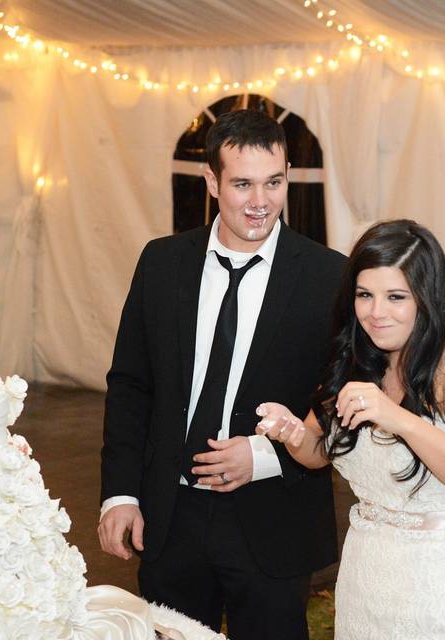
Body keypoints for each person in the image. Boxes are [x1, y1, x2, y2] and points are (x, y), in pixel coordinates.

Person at [98, 108, 345, 639]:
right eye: (242, 184)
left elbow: (341, 395)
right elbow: (130, 385)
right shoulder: (161, 263)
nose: (261, 202)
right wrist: (121, 494)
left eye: (274, 182)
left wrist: (268, 453)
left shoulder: (330, 276)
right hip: (171, 517)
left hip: (274, 519)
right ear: (211, 181)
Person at [257, 219, 445, 639]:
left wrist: (398, 418)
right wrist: (292, 432)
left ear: (426, 296)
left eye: (395, 297)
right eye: (365, 295)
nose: (376, 312)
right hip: (368, 582)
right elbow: (317, 450)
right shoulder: (362, 350)